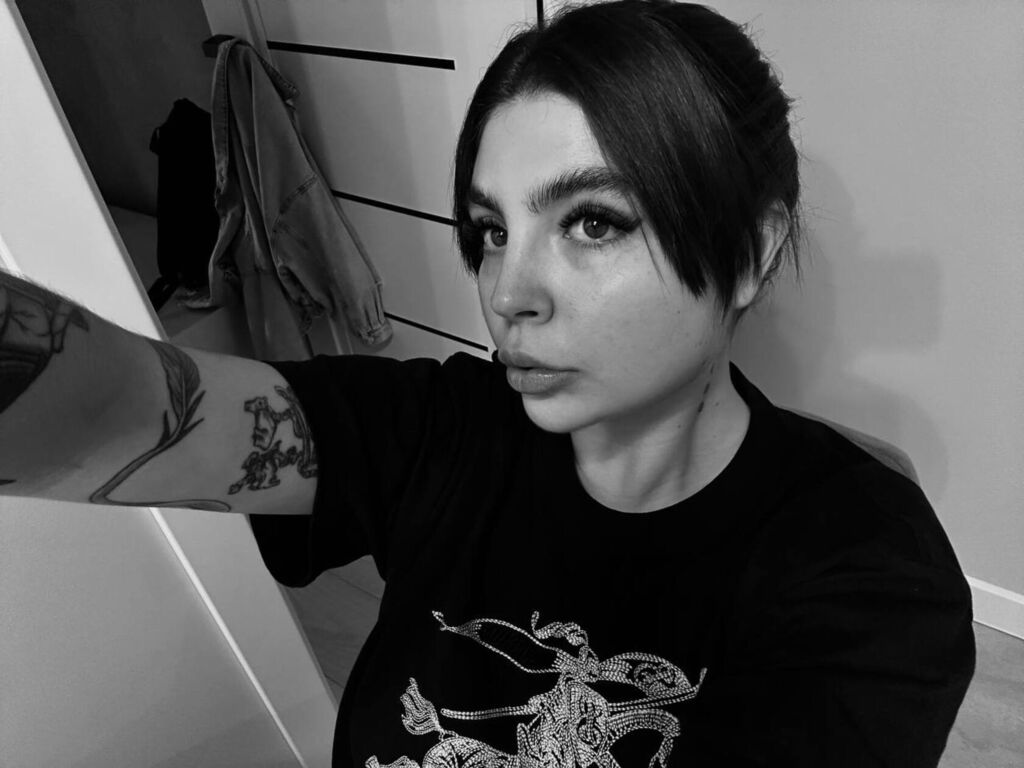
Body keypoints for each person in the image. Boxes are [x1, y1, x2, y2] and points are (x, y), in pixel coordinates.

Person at [0, 1, 974, 766]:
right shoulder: (441, 432)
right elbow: (123, 414)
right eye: (493, 230)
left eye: (593, 222)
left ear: (749, 252)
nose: (507, 292)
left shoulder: (864, 575)